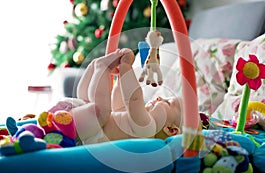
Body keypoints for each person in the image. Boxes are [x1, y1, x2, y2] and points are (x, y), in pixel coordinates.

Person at [38, 48, 182, 145]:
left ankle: (100, 67)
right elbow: (118, 102)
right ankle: (96, 66)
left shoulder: (149, 130)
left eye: (168, 102)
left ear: (170, 129)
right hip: (83, 123)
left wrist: (127, 67)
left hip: (83, 128)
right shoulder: (136, 125)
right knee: (88, 102)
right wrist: (120, 78)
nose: (159, 98)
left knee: (101, 111)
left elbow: (133, 99)